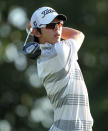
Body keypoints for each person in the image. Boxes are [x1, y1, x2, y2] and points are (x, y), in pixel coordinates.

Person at [23, 6, 93, 131]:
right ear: (37, 33)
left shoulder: (46, 54)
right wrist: (33, 28)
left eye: (59, 24)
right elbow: (78, 34)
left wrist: (37, 28)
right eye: (51, 25)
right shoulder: (59, 52)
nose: (57, 29)